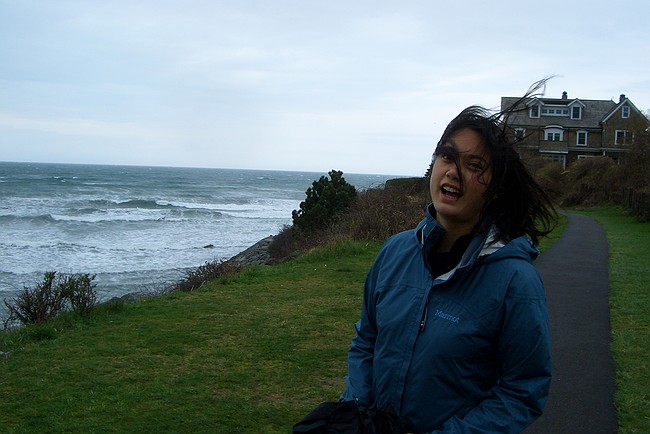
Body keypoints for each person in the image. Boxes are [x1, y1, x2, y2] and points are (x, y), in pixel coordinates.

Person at [340, 86, 557, 433]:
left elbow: (522, 391)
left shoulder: (516, 282)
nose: (453, 171)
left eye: (474, 165)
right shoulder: (395, 252)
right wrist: (355, 412)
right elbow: (367, 340)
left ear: (495, 189)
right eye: (447, 156)